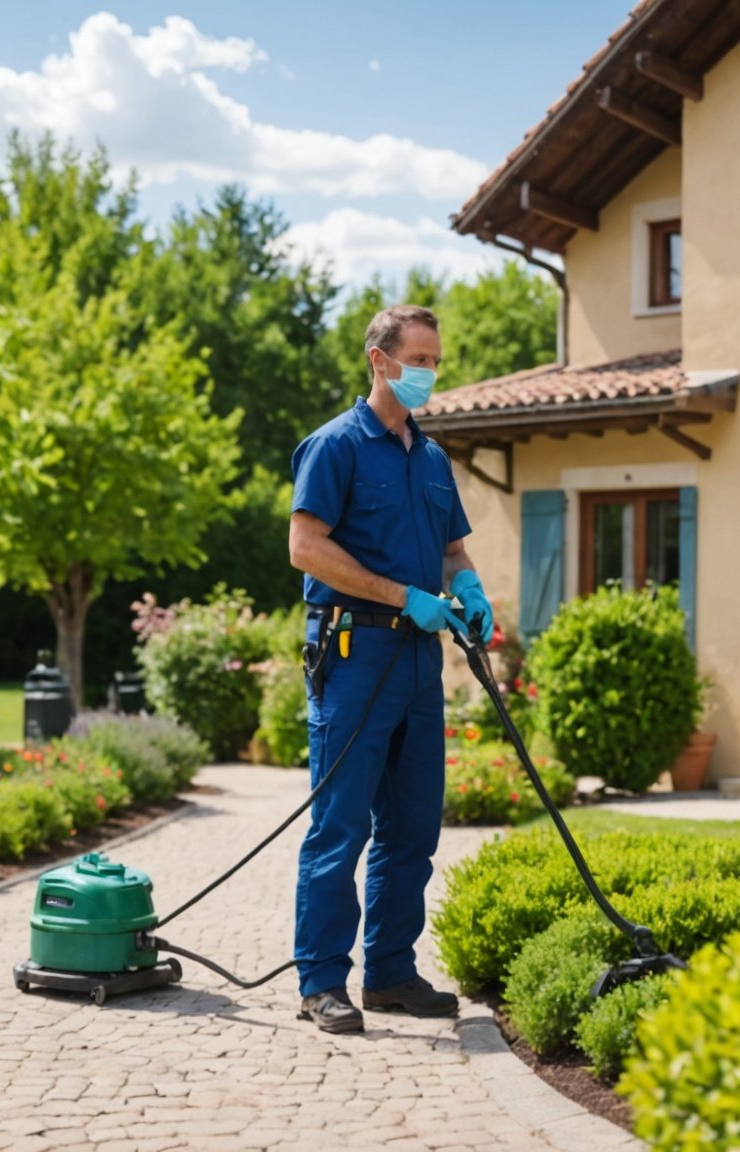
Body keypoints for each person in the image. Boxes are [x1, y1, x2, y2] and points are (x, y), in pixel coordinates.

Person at [285, 303, 494, 1034]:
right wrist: (403, 595)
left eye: (436, 361)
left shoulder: (431, 460)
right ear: (380, 360)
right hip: (353, 653)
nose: (429, 373)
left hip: (417, 661)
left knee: (412, 828)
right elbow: (306, 547)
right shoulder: (335, 447)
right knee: (340, 825)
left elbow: (453, 551)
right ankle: (319, 982)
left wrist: (466, 587)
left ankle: (392, 973)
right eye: (419, 359)